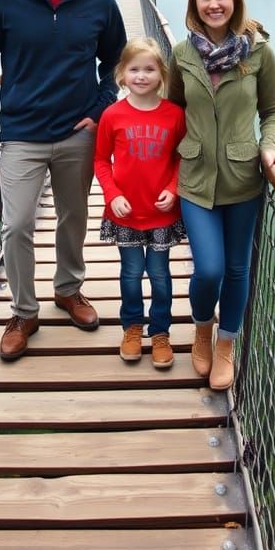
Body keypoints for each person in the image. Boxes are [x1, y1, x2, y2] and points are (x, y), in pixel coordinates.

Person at [0, 0, 127, 361]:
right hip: (19, 135)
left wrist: (99, 110)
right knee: (16, 225)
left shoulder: (99, 1)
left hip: (77, 133)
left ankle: (68, 290)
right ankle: (23, 312)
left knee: (73, 218)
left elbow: (114, 62)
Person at [167, 0, 275, 391]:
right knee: (208, 270)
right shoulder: (182, 54)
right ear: (195, 4)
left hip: (243, 179)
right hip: (195, 179)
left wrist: (270, 147)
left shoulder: (259, 52)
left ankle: (225, 345)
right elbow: (172, 110)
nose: (214, 4)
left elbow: (273, 110)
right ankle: (202, 330)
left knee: (237, 270)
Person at [94, 37, 187, 370]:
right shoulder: (112, 115)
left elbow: (182, 158)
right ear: (122, 74)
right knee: (131, 274)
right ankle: (132, 328)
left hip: (161, 214)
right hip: (126, 213)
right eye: (134, 69)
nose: (142, 76)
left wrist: (174, 189)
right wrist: (112, 194)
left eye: (149, 69)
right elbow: (101, 160)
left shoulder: (175, 115)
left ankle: (160, 332)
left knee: (160, 276)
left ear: (161, 74)